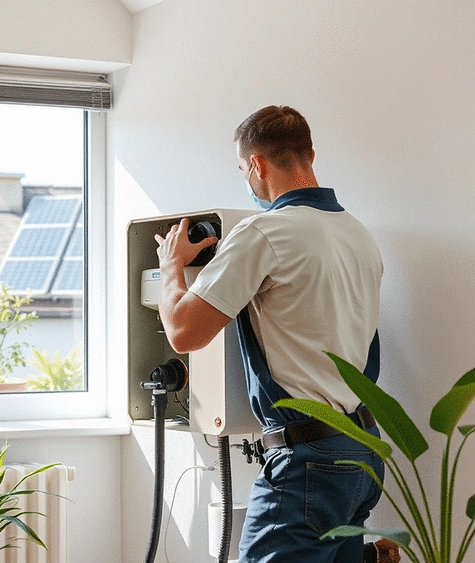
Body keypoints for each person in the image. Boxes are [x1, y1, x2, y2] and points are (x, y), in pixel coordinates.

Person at [154, 105, 386, 563]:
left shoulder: (263, 233)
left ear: (257, 164)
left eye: (243, 170)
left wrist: (171, 267)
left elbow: (182, 332)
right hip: (361, 451)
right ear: (310, 154)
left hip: (307, 462)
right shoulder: (358, 234)